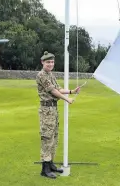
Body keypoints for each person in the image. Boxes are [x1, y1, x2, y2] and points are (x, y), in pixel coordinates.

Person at [36, 51, 81, 179]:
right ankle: (45, 169)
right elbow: (54, 91)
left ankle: (50, 164)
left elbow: (59, 89)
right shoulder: (41, 75)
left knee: (54, 137)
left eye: (52, 62)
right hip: (46, 110)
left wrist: (71, 91)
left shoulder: (50, 74)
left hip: (53, 109)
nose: (50, 64)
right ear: (42, 62)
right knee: (47, 138)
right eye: (48, 62)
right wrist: (67, 99)